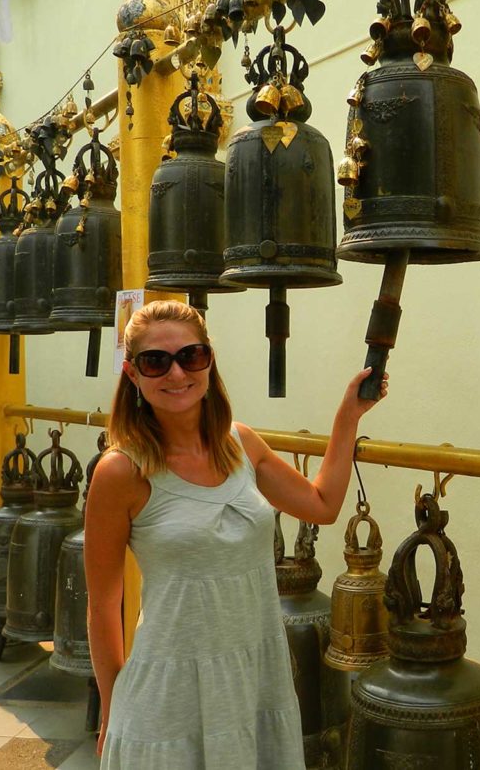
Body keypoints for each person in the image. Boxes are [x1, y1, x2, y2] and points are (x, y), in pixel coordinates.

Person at [84, 300, 387, 768]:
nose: (176, 373)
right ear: (132, 373)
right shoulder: (121, 471)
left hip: (253, 676)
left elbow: (322, 505)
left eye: (191, 356)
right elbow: (104, 603)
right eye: (155, 361)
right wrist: (110, 703)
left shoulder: (240, 444)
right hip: (168, 687)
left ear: (209, 361)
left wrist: (349, 415)